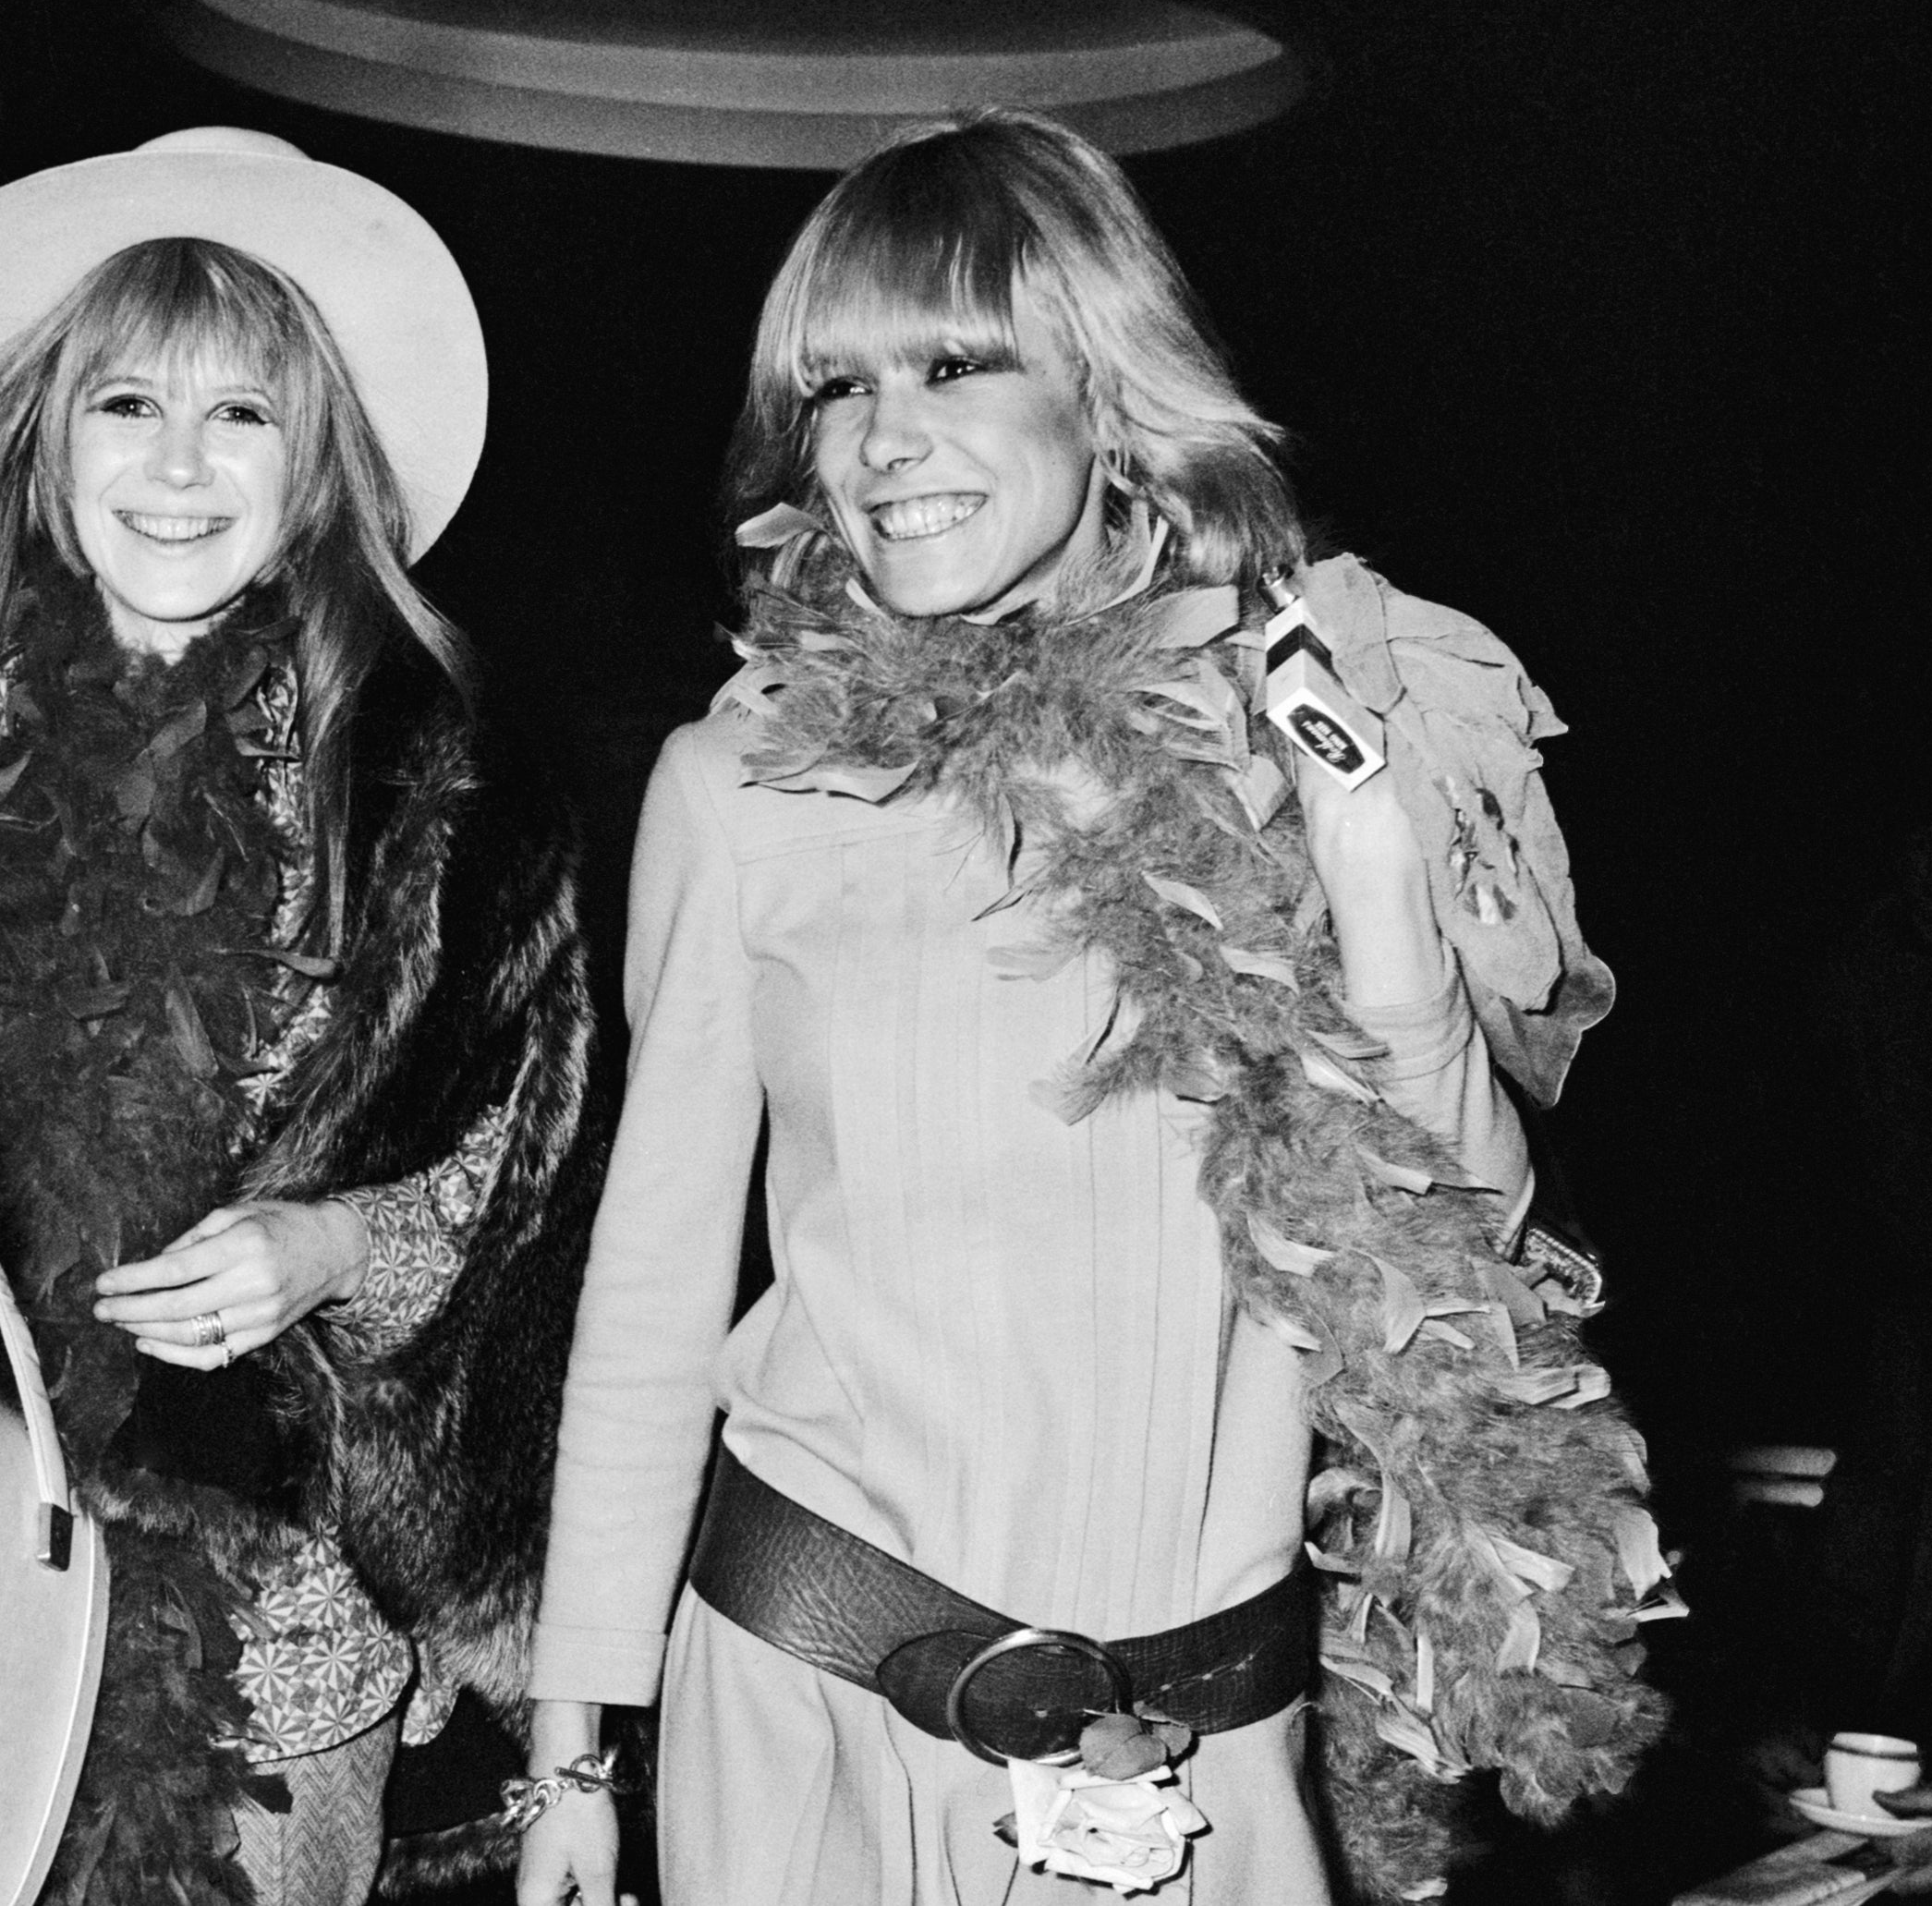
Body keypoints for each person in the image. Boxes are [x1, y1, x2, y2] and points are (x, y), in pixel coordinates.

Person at [515, 112, 1664, 1906]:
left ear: (1103, 385)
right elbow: (652, 1290)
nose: (883, 440)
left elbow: (1471, 1276)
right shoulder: (740, 784)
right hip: (824, 1712)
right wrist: (573, 1744)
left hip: (1207, 1753)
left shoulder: (1307, 737)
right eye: (836, 388)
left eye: (956, 362)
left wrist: (1374, 879)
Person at [0, 129, 605, 1906]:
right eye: (123, 406)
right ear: (41, 447)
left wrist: (335, 1242)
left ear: (312, 466)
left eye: (240, 414)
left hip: (280, 1649)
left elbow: (530, 1215)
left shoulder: (448, 813)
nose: (178, 466)